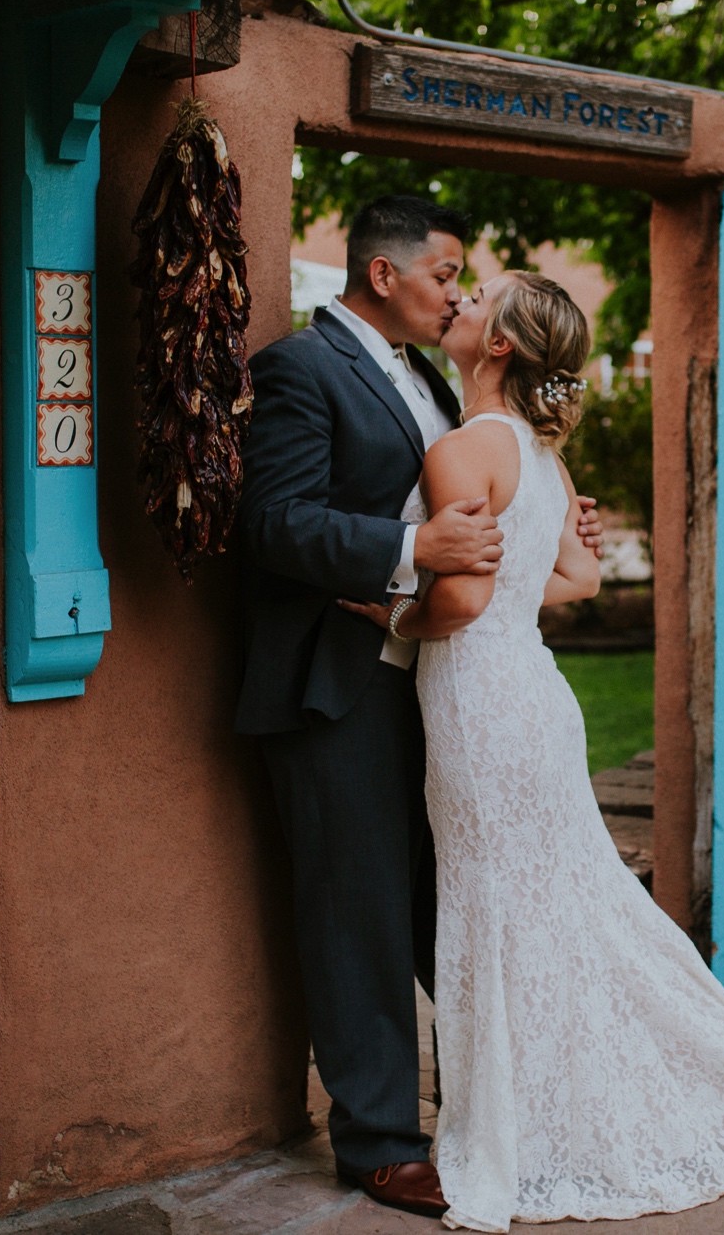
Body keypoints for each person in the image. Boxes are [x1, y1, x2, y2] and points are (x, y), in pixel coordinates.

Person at [342, 271, 724, 1232]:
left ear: (503, 344)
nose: (460, 301)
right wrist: (497, 593)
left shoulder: (465, 447)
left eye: (478, 298)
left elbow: (463, 600)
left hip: (481, 705)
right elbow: (581, 576)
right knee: (561, 904)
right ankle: (646, 1086)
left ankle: (534, 1124)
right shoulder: (540, 456)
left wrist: (380, 603)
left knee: (501, 911)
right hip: (536, 701)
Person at [237, 198, 604, 1220]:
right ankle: (379, 1143)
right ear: (384, 273)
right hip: (332, 685)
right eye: (447, 273)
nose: (459, 291)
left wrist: (541, 513)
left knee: (447, 907)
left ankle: (513, 1096)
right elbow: (270, 521)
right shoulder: (299, 369)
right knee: (353, 911)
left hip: (433, 689)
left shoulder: (435, 382)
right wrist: (409, 556)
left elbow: (467, 502)